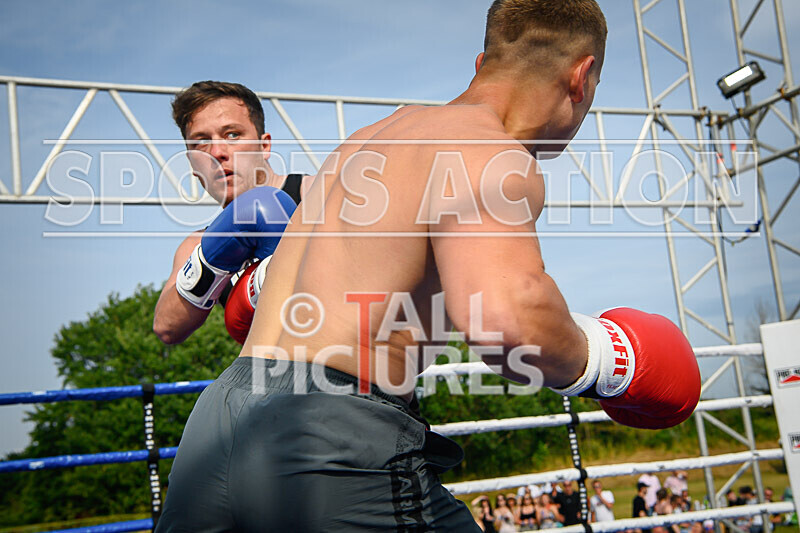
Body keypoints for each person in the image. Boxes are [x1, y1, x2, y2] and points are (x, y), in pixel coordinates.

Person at [157, 0, 702, 530]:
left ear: (480, 65)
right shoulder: (488, 150)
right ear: (581, 78)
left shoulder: (362, 143)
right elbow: (508, 322)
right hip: (327, 435)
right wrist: (614, 361)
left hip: (216, 426)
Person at [152, 80, 311, 346]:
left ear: (264, 146)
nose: (217, 153)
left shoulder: (317, 193)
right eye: (201, 143)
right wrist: (214, 254)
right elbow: (166, 328)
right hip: (270, 380)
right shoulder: (195, 245)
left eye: (232, 135)